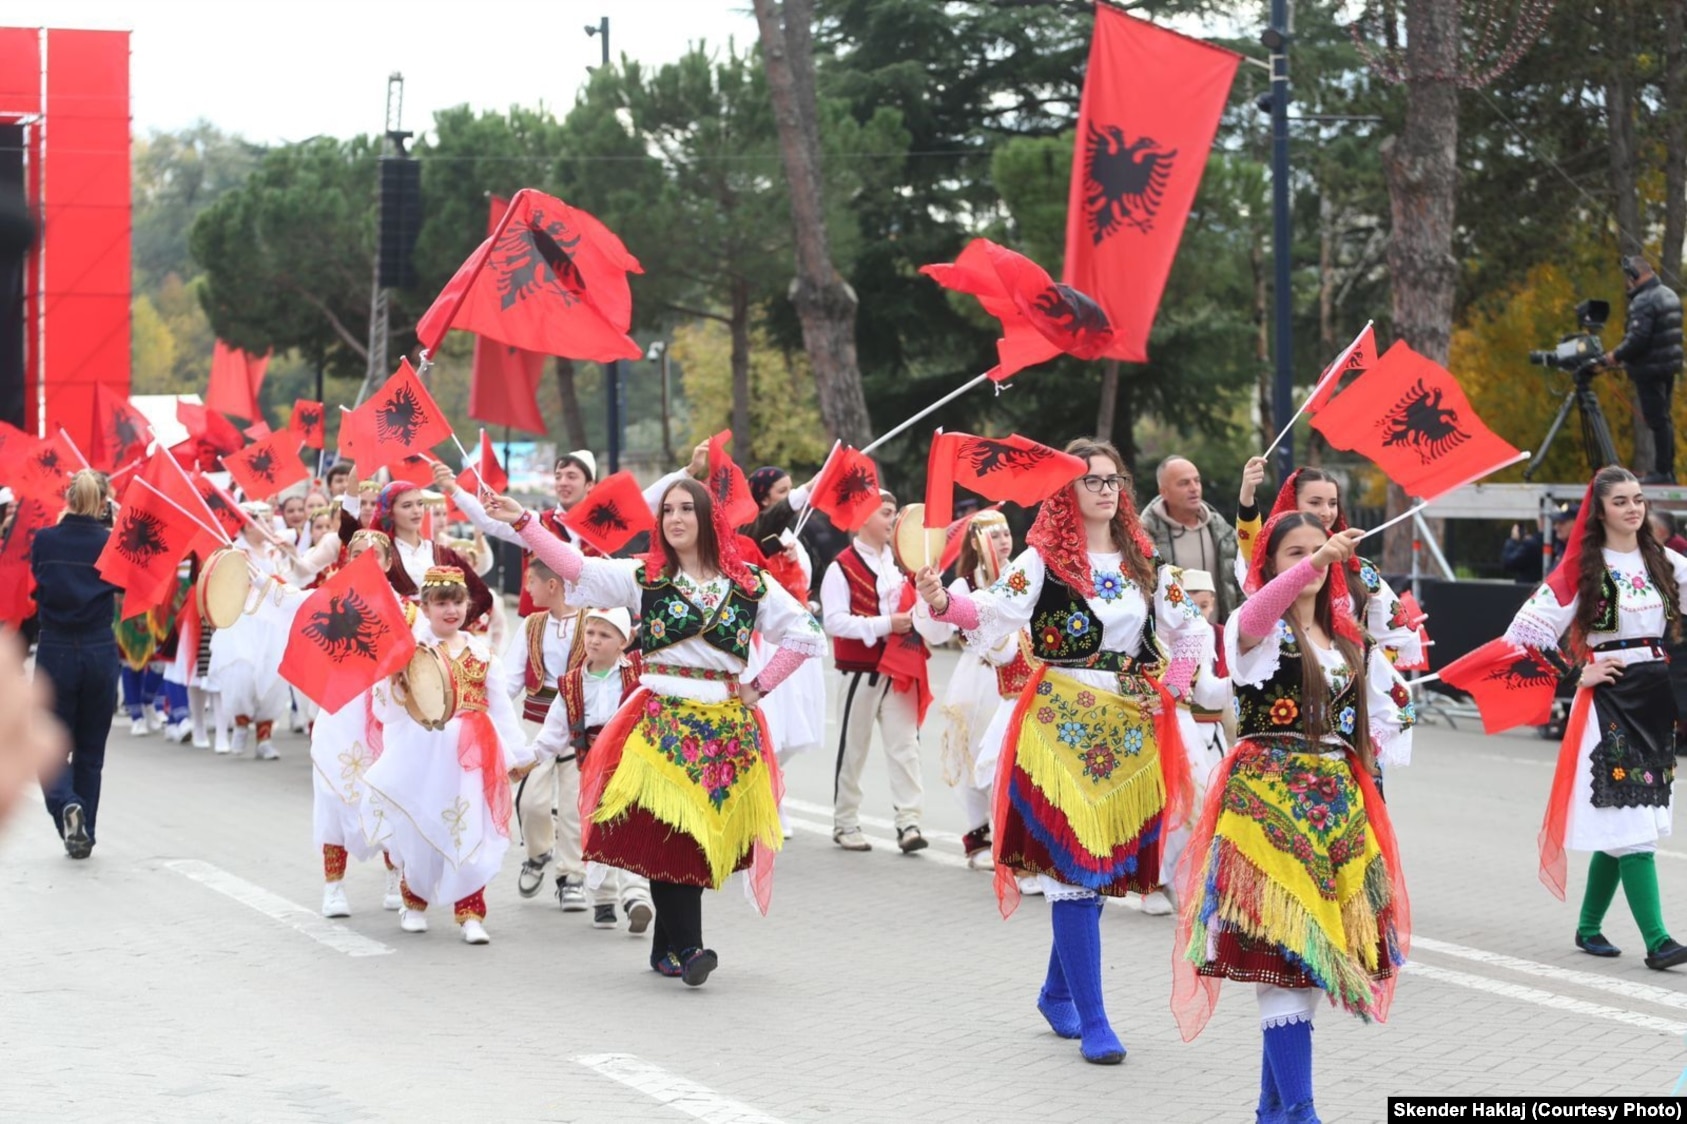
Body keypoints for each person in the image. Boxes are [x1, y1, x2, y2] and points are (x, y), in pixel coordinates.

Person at [918, 438, 1207, 1066]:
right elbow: (991, 609)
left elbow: (1191, 630)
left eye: (1113, 479)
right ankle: (1096, 1018)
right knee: (1073, 866)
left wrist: (1174, 688)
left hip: (1130, 724)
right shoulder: (1041, 559)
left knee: (1097, 868)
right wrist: (942, 600)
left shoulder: (1146, 561)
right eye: (1090, 480)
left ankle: (1057, 992)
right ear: (1066, 490)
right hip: (1059, 719)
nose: (1105, 489)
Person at [487, 477, 824, 987]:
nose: (676, 518)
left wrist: (758, 687)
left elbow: (806, 634)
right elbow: (577, 568)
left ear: (708, 519)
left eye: (687, 509)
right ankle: (689, 949)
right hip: (661, 717)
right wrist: (523, 522)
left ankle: (665, 947)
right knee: (676, 832)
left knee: (703, 838)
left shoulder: (751, 582)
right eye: (668, 510)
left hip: (725, 726)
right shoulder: (644, 575)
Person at [1171, 513, 1414, 1124]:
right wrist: (1317, 560)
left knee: (1305, 964)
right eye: (1293, 552)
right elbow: (1253, 615)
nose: (1310, 560)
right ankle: (1301, 1112)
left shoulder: (1344, 641)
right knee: (1280, 958)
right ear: (1272, 564)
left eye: (1317, 549)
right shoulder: (1255, 631)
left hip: (1334, 807)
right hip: (1267, 805)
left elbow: (1384, 713)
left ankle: (1271, 1110)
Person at [1501, 466, 1687, 970]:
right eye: (1621, 501)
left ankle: (1588, 926)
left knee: (1627, 820)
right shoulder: (1582, 568)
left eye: (1638, 500)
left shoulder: (1663, 560)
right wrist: (1575, 672)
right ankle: (1659, 941)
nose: (1633, 508)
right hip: (1609, 701)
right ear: (1599, 510)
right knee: (1634, 825)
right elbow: (1523, 635)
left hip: (1653, 695)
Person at [360, 566, 533, 944]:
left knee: (471, 827)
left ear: (468, 605)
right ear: (426, 607)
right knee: (420, 826)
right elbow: (385, 712)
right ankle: (415, 901)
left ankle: (470, 912)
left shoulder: (483, 653)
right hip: (423, 753)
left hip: (472, 755)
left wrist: (518, 753)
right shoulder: (410, 652)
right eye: (442, 603)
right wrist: (392, 681)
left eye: (457, 601)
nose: (451, 610)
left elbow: (501, 708)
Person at [820, 490, 949, 854]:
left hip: (901, 670)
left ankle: (909, 822)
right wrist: (886, 624)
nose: (893, 521)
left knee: (905, 747)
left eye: (893, 513)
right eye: (886, 513)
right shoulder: (840, 567)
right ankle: (845, 822)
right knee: (853, 749)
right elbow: (834, 622)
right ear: (863, 518)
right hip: (859, 670)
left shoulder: (904, 565)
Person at [438, 447, 700, 616]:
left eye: (572, 476)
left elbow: (646, 500)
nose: (563, 482)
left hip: (596, 622)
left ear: (590, 484)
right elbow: (491, 522)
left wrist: (688, 471)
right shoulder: (537, 523)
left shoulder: (603, 520)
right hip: (545, 618)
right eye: (559, 475)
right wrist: (454, 489)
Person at [915, 508, 1032, 868]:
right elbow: (934, 632)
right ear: (977, 542)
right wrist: (929, 596)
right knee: (971, 757)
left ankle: (1015, 836)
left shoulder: (1022, 576)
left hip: (1018, 678)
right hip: (976, 678)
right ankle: (978, 833)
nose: (1002, 540)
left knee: (1011, 760)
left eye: (1005, 533)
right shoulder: (965, 584)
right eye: (993, 535)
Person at [528, 606, 653, 933]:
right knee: (597, 830)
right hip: (593, 765)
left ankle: (636, 895)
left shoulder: (640, 674)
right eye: (590, 634)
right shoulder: (571, 684)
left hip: (631, 763)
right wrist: (528, 759)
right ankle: (603, 898)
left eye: (605, 635)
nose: (595, 641)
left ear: (624, 641)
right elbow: (553, 730)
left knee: (631, 827)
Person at [1237, 463, 1423, 669]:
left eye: (1332, 503)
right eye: (1315, 502)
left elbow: (1397, 635)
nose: (1326, 512)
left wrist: (1365, 673)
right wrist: (1246, 500)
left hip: (1345, 689)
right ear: (1292, 504)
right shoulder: (1275, 562)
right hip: (1285, 685)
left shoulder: (1360, 570)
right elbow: (1253, 551)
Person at [311, 529, 407, 919]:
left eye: (375, 555)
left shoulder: (408, 612)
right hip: (341, 712)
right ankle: (334, 887)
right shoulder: (329, 604)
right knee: (334, 796)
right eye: (357, 555)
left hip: (390, 715)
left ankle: (395, 877)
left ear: (387, 563)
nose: (367, 561)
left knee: (390, 794)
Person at [30, 469, 121, 860]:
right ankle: (84, 831)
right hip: (100, 649)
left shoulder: (45, 541)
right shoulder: (109, 543)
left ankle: (68, 805)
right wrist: (113, 530)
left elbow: (39, 579)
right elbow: (123, 587)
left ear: (67, 497)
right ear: (103, 502)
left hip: (56, 649)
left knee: (46, 746)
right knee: (91, 752)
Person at [507, 556, 590, 911]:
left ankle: (571, 876)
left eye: (532, 582)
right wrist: (481, 706)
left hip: (579, 724)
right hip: (538, 720)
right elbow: (510, 677)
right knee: (531, 800)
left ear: (552, 585)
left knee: (574, 804)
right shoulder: (531, 625)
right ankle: (539, 852)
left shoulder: (592, 621)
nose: (527, 589)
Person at [1601, 256, 1684, 484]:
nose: (1627, 283)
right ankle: (1666, 470)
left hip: (1650, 369)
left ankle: (1663, 472)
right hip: (1668, 366)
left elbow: (1638, 338)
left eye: (1629, 278)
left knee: (1657, 420)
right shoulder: (1669, 294)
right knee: (1663, 419)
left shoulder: (1644, 300)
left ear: (1635, 276)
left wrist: (1614, 356)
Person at [1140, 455, 1241, 617]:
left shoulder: (1223, 532)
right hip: (1168, 637)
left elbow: (1241, 584)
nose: (1194, 488)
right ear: (1163, 492)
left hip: (1220, 636)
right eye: (1184, 483)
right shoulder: (1144, 537)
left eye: (1197, 481)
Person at [1502, 503, 1578, 583]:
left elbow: (1509, 562)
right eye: (1556, 522)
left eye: (1562, 523)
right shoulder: (1559, 547)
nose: (1556, 527)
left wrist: (1513, 541)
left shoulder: (1578, 551)